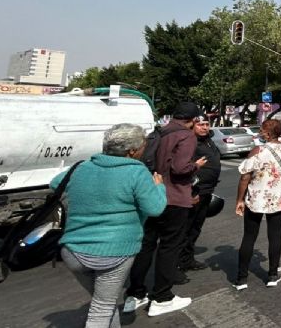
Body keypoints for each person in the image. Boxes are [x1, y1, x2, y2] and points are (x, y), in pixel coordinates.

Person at [54, 124, 167, 327]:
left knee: (104, 303)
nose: (145, 149)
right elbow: (155, 208)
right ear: (132, 151)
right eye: (143, 145)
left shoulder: (82, 166)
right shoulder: (136, 171)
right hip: (113, 253)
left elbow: (56, 184)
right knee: (102, 307)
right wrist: (159, 187)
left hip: (72, 251)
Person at [125, 102, 206, 316]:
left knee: (146, 245)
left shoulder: (158, 131)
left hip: (151, 194)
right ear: (194, 119)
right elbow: (180, 169)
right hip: (174, 197)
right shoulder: (185, 136)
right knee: (169, 246)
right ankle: (162, 296)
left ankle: (135, 294)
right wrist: (196, 166)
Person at [233, 119, 281, 289]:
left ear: (269, 133)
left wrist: (239, 199)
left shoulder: (258, 150)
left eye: (262, 130)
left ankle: (241, 278)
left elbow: (245, 177)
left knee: (249, 236)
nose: (260, 133)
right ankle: (272, 275)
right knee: (274, 235)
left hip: (255, 199)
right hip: (278, 198)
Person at [178, 114, 221, 273]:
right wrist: (191, 190)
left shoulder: (208, 140)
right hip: (194, 191)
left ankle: (187, 259)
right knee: (186, 228)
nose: (204, 127)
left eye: (206, 124)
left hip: (207, 190)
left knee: (196, 227)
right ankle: (179, 261)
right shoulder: (190, 142)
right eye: (200, 125)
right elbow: (183, 167)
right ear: (192, 126)